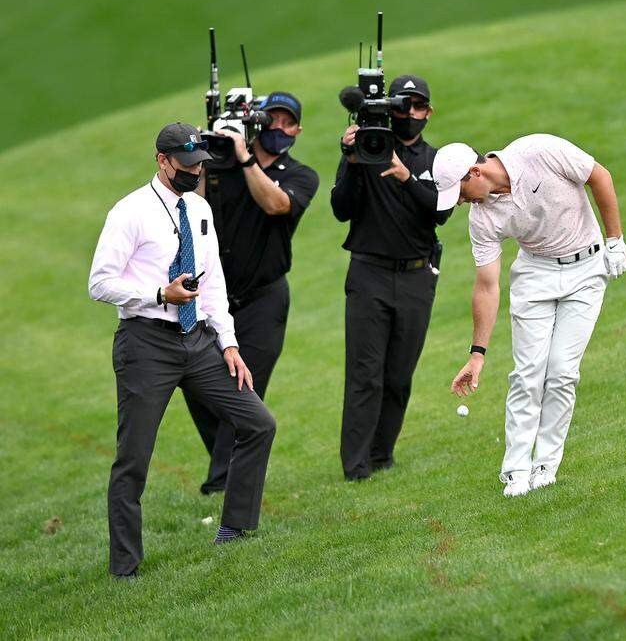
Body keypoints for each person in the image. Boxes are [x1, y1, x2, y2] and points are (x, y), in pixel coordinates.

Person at [88, 122, 277, 578]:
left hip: (199, 341)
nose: (196, 172)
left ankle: (237, 526)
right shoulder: (129, 212)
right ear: (162, 161)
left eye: (200, 165)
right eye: (188, 165)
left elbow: (212, 282)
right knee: (133, 459)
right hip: (146, 343)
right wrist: (159, 294)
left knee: (258, 423)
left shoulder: (199, 207)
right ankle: (125, 567)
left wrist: (228, 343)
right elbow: (99, 282)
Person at [434, 134, 626, 497]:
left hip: (586, 270)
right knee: (527, 374)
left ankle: (546, 465)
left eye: (460, 194)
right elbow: (487, 286)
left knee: (561, 372)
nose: (461, 203)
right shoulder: (482, 218)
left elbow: (599, 176)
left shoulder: (539, 151)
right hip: (535, 277)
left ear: (475, 172)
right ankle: (516, 471)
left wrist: (615, 240)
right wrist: (477, 355)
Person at [184, 92, 318, 495]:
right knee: (197, 387)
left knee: (243, 388)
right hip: (212, 299)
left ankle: (222, 484)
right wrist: (208, 157)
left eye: (287, 121)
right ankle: (226, 465)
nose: (278, 128)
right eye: (271, 119)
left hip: (264, 298)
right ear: (257, 123)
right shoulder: (221, 166)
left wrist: (245, 159)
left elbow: (277, 205)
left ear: (297, 129)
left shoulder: (299, 174)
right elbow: (192, 207)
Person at [330, 75, 452, 480]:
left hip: (417, 277)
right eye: (403, 105)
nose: (410, 113)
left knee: (398, 375)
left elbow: (441, 212)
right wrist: (350, 158)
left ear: (428, 112)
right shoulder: (370, 146)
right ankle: (357, 466)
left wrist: (405, 176)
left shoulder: (436, 161)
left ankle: (382, 454)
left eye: (418, 106)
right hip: (369, 274)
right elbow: (341, 208)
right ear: (391, 108)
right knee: (364, 374)